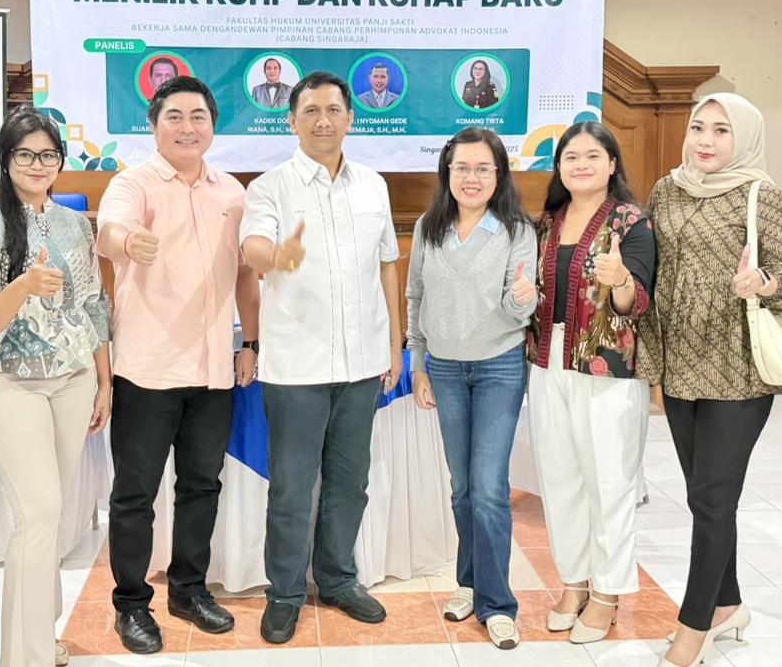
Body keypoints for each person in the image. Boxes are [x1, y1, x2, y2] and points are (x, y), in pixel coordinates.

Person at [636, 94, 782, 667]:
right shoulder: (666, 190)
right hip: (681, 365)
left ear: (744, 138)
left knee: (714, 498)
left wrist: (762, 282)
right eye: (698, 127)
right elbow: (656, 271)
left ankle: (693, 627)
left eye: (721, 130)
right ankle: (728, 604)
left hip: (737, 369)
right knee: (703, 496)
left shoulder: (760, 193)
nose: (706, 140)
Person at [96, 75, 261, 655]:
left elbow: (246, 274)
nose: (187, 127)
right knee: (135, 494)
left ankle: (189, 591)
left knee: (201, 487)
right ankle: (131, 604)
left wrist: (251, 342)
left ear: (212, 126)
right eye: (174, 116)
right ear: (154, 125)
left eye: (198, 117)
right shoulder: (134, 183)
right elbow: (109, 232)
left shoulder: (232, 193)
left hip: (214, 369)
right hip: (148, 368)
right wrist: (126, 243)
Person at [240, 71, 402, 644]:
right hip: (296, 368)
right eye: (310, 111)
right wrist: (276, 256)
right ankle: (284, 592)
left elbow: (388, 264)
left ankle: (336, 580)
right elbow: (253, 248)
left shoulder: (373, 186)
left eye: (333, 110)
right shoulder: (270, 188)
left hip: (362, 364)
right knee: (291, 487)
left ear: (350, 118)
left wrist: (395, 342)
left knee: (350, 483)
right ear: (292, 121)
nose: (323, 120)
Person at [0, 105, 112, 667]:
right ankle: (26, 655)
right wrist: (24, 283)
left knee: (52, 513)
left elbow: (93, 304)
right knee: (39, 511)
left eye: (48, 154)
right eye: (25, 154)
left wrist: (104, 380)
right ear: (6, 159)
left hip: (73, 380)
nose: (38, 164)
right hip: (7, 384)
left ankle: (42, 634)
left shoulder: (75, 224)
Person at [406, 127, 536, 649]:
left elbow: (519, 308)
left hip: (499, 367)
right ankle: (470, 582)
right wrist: (418, 363)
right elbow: (416, 296)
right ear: (448, 172)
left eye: (483, 168)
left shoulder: (516, 230)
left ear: (499, 175)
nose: (472, 178)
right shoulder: (428, 227)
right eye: (462, 168)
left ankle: (498, 603)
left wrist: (523, 297)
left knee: (488, 488)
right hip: (444, 370)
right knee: (461, 487)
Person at [526, 121, 655, 645]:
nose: (581, 165)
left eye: (592, 156)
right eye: (571, 157)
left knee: (609, 482)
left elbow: (636, 303)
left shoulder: (631, 222)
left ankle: (608, 593)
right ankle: (574, 583)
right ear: (558, 167)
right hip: (547, 361)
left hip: (607, 368)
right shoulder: (546, 223)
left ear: (611, 164)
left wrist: (619, 279)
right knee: (560, 478)